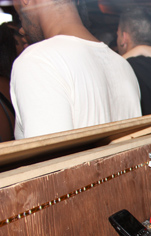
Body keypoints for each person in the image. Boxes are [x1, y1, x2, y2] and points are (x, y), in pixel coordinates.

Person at [11, 0, 141, 139]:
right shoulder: (123, 66)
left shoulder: (38, 61)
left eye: (20, 17)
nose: (22, 29)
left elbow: (52, 151)